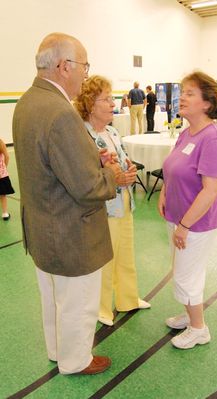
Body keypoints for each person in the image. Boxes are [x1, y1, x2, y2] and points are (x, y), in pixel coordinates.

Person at [12, 33, 124, 375]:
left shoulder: (27, 102)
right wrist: (112, 176)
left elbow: (48, 162)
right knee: (78, 303)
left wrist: (90, 154)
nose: (85, 75)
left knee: (53, 300)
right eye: (84, 66)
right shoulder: (60, 113)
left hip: (43, 227)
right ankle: (76, 361)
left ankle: (57, 351)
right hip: (70, 230)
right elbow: (87, 186)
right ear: (64, 67)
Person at [158, 71, 217, 349]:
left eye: (190, 93)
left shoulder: (213, 139)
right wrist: (164, 192)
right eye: (183, 92)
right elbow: (173, 167)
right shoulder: (187, 132)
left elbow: (210, 190)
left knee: (187, 274)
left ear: (207, 103)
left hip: (196, 224)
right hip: (178, 217)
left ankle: (199, 328)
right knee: (182, 270)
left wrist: (185, 225)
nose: (182, 98)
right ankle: (190, 316)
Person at [74, 75, 151, 327]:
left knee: (126, 253)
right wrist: (114, 176)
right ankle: (102, 308)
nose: (113, 103)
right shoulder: (81, 135)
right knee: (105, 259)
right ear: (90, 103)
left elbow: (123, 159)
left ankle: (128, 299)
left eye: (111, 98)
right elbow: (83, 175)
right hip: (102, 209)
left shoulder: (113, 131)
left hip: (124, 202)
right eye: (106, 99)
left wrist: (129, 170)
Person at [0, 138, 15, 220]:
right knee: (3, 195)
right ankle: (5, 213)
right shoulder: (0, 142)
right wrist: (4, 167)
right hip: (2, 175)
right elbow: (7, 156)